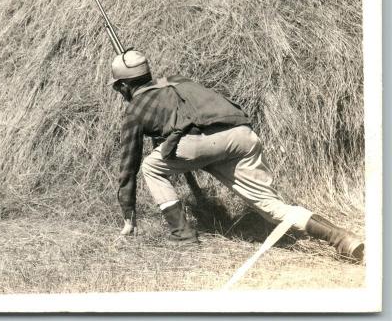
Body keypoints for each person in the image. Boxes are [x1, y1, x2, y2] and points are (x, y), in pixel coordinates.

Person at [110, 49, 364, 260]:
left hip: (198, 144)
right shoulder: (179, 80)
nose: (119, 94)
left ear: (123, 85)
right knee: (272, 207)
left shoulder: (134, 110)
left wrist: (129, 215)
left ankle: (183, 236)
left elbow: (128, 166)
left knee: (151, 167)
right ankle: (341, 237)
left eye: (118, 88)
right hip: (241, 135)